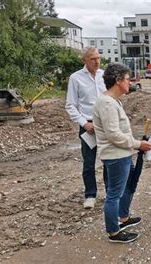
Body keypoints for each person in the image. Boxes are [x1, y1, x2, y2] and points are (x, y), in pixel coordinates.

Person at [93, 63, 151, 243]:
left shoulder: (113, 101)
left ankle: (123, 218)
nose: (130, 82)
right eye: (127, 79)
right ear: (118, 81)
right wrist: (138, 144)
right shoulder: (107, 103)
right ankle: (114, 232)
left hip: (122, 154)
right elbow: (114, 135)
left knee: (127, 187)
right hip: (115, 156)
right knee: (114, 194)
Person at [65, 47, 107, 209]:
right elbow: (71, 105)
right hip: (88, 125)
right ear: (85, 61)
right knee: (89, 163)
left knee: (108, 160)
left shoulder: (104, 75)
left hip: (104, 124)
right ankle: (90, 195)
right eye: (92, 59)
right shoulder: (75, 78)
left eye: (98, 58)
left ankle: (110, 193)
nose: (97, 61)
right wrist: (84, 123)